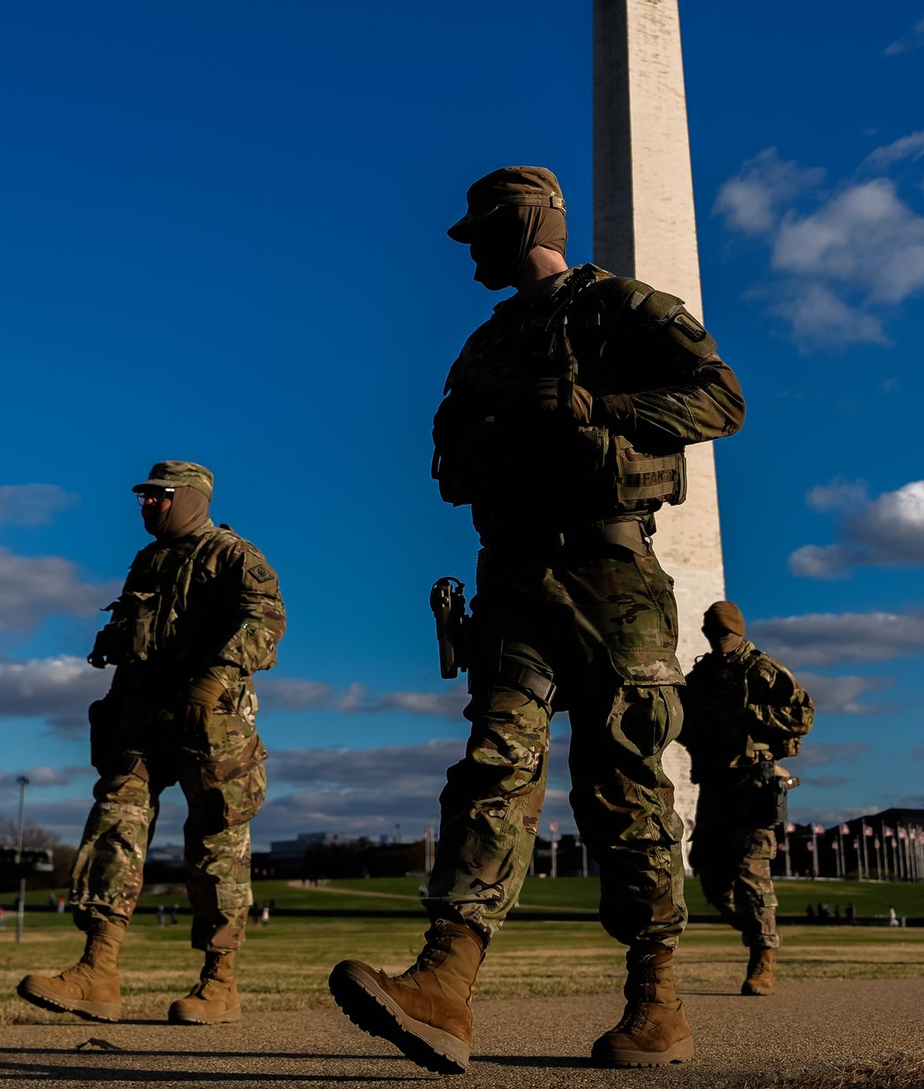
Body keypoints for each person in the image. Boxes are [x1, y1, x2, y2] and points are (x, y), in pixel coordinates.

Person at [327, 167, 744, 1072]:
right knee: (493, 765)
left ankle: (657, 999)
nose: (469, 250)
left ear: (520, 226)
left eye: (479, 233)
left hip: (610, 576)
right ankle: (444, 984)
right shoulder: (484, 344)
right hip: (514, 577)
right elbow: (448, 462)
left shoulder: (623, 307)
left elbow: (721, 399)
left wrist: (603, 408)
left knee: (625, 782)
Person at [17, 462, 285, 1025]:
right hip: (142, 722)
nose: (147, 507)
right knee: (114, 824)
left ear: (189, 498)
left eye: (158, 497)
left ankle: (220, 983)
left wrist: (215, 679)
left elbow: (265, 621)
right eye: (143, 498)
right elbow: (136, 642)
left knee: (216, 847)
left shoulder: (233, 554)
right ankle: (98, 968)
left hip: (212, 726)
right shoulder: (148, 560)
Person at [676, 600, 813, 996]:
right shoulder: (701, 676)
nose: (720, 643)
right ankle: (756, 926)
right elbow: (684, 723)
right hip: (715, 786)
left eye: (726, 635)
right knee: (708, 870)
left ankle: (762, 958)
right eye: (714, 635)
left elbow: (804, 714)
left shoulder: (762, 669)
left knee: (753, 873)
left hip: (753, 784)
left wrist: (749, 714)